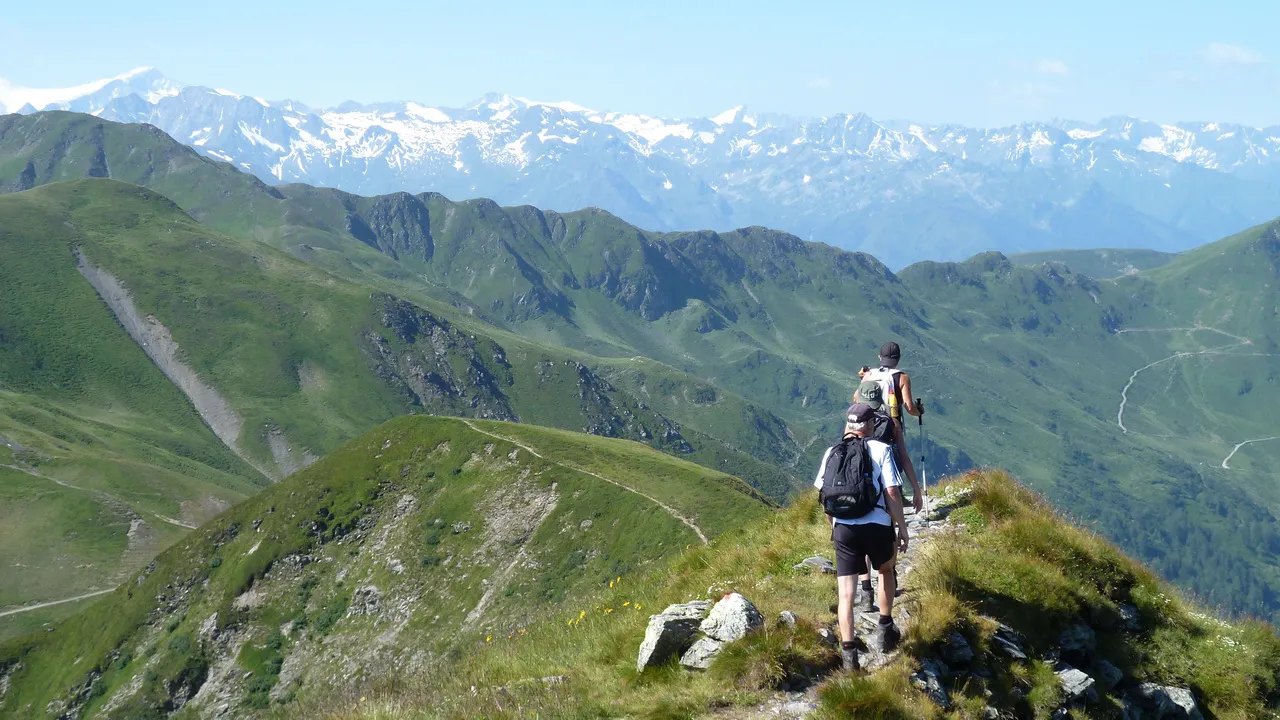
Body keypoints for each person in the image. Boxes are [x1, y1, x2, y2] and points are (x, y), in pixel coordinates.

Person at [814, 403, 910, 671]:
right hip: (877, 524)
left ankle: (849, 658)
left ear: (848, 424)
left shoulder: (832, 451)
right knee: (886, 569)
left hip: (844, 527)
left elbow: (823, 496)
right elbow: (892, 492)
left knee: (846, 594)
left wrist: (835, 525)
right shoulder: (882, 449)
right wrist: (901, 527)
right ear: (869, 425)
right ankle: (885, 627)